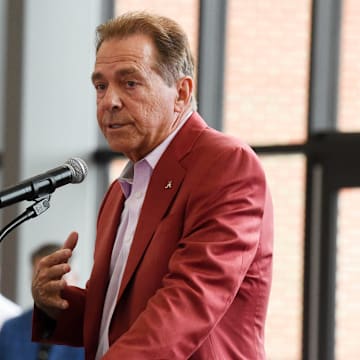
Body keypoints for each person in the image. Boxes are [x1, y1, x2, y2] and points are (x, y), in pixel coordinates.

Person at [31, 11, 273, 360]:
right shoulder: (121, 191)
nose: (109, 101)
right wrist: (56, 304)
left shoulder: (225, 164)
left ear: (181, 92)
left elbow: (189, 302)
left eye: (130, 83)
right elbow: (117, 316)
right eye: (101, 86)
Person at [0, 244, 84, 360]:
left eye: (60, 276)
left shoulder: (91, 333)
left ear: (76, 278)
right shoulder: (10, 329)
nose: (50, 285)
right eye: (42, 278)